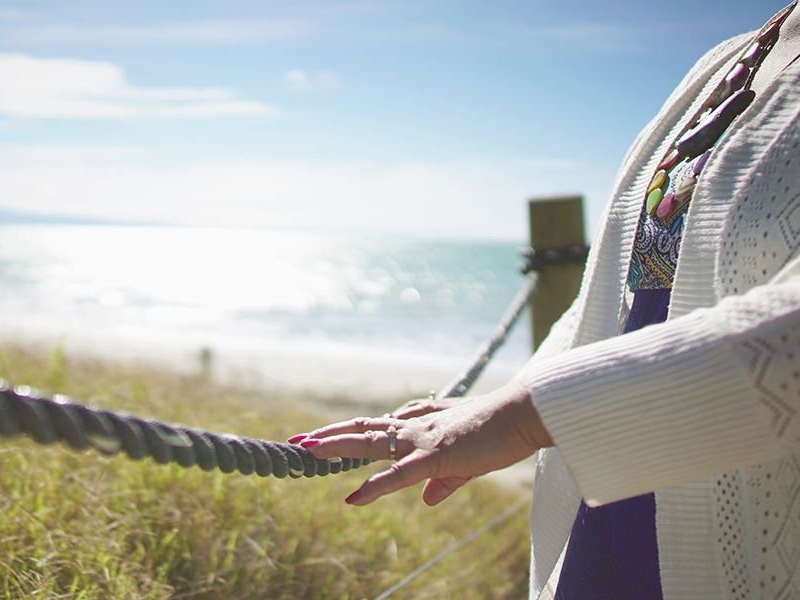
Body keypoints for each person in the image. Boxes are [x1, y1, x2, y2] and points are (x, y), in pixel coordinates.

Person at [287, 2, 800, 598]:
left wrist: (525, 415)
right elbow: (612, 297)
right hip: (608, 498)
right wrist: (491, 406)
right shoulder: (733, 56)